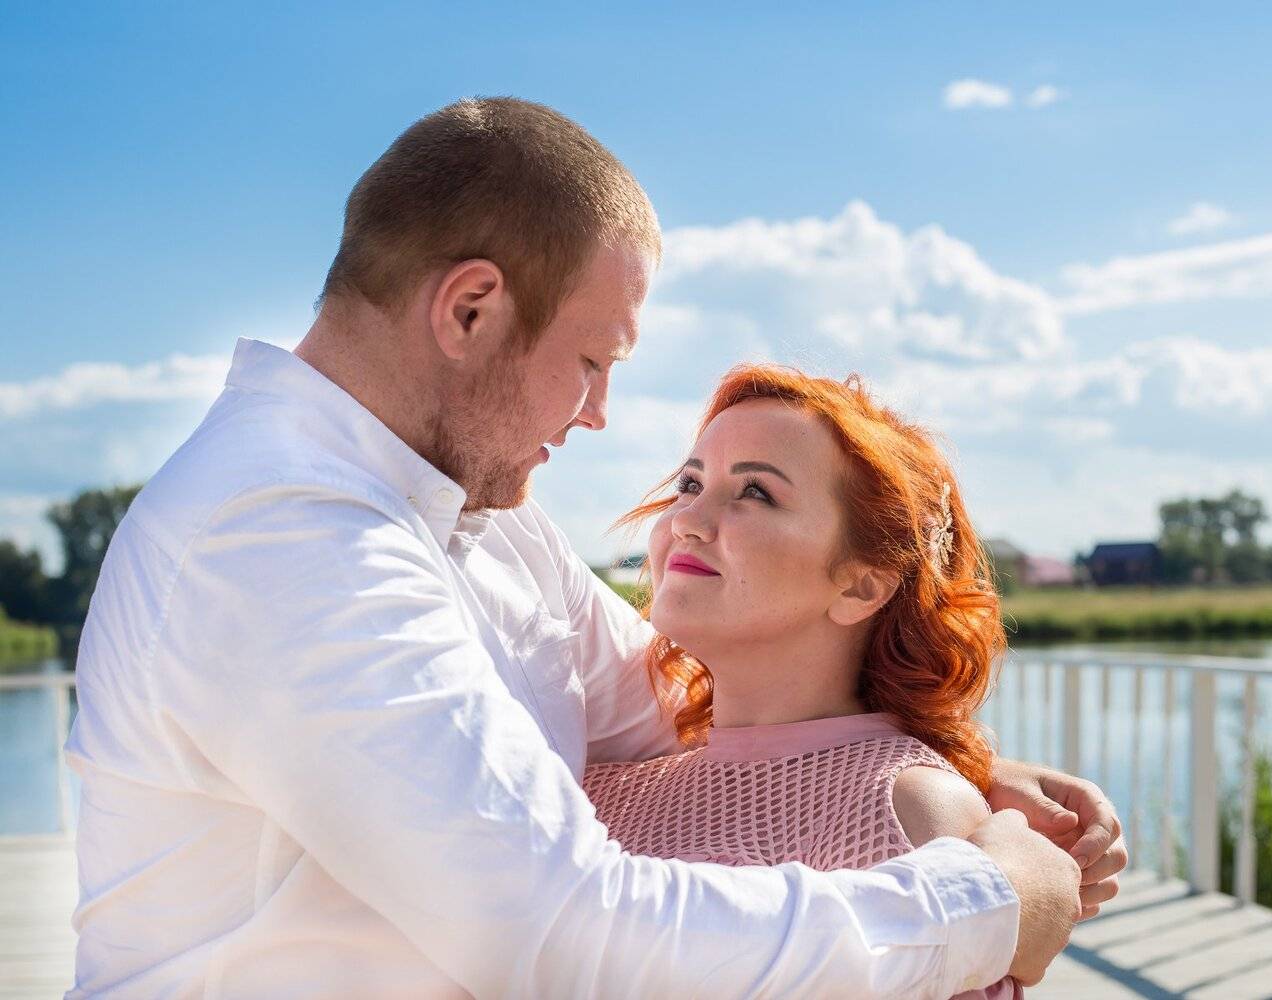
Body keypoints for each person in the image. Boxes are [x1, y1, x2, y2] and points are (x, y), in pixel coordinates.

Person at [64, 97, 1124, 998]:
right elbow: (566, 928)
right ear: (470, 309)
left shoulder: (485, 521)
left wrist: (954, 771)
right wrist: (987, 901)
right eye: (592, 360)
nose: (599, 413)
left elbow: (684, 702)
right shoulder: (276, 533)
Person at [583, 365, 1055, 994]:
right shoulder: (598, 787)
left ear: (862, 585)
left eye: (755, 492)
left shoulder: (906, 808)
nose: (688, 519)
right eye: (690, 483)